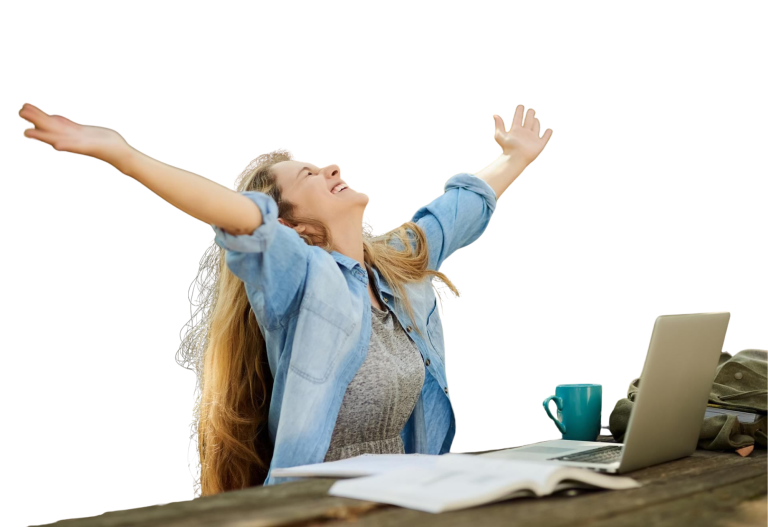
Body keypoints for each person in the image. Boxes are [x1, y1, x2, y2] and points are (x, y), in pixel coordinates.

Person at [18, 102, 553, 497]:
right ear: (292, 229)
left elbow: (459, 207)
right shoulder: (302, 279)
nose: (333, 169)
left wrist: (515, 158)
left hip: (403, 504)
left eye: (322, 166)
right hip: (315, 510)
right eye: (312, 176)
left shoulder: (397, 264)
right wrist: (124, 155)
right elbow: (234, 213)